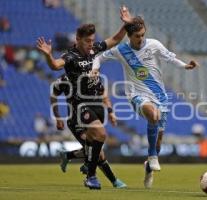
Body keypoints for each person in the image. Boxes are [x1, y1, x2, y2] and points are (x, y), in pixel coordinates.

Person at [91, 16, 198, 188]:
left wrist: (186, 66)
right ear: (129, 36)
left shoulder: (154, 45)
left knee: (158, 142)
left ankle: (149, 165)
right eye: (137, 36)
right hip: (136, 95)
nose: (141, 39)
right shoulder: (121, 50)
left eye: (142, 35)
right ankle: (152, 157)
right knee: (153, 115)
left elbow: (170, 58)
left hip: (160, 96)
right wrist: (95, 69)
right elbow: (98, 57)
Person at [37, 6, 133, 190]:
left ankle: (73, 159)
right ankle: (96, 177)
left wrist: (126, 25)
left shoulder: (94, 50)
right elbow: (56, 65)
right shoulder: (70, 57)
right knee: (101, 137)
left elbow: (115, 39)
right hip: (78, 108)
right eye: (87, 41)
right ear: (78, 39)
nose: (91, 44)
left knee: (95, 150)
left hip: (94, 104)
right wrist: (48, 55)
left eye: (92, 40)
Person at [50, 74, 126, 188]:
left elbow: (103, 92)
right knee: (98, 153)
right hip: (76, 120)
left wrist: (110, 111)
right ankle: (113, 180)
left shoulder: (91, 76)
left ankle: (69, 156)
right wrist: (57, 116)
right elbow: (53, 95)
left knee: (93, 148)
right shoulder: (63, 79)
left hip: (92, 115)